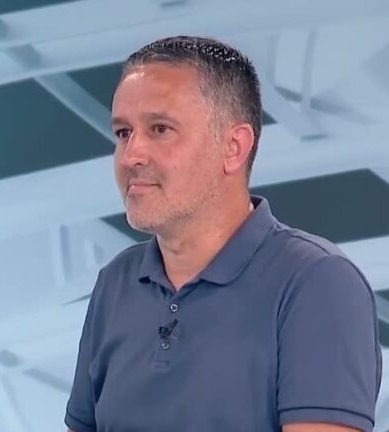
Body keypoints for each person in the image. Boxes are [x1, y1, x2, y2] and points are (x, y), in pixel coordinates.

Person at [64, 35, 382, 432]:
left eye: (160, 129)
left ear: (233, 147)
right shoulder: (115, 283)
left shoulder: (317, 282)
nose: (131, 156)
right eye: (123, 132)